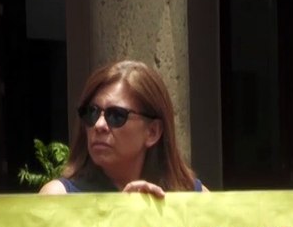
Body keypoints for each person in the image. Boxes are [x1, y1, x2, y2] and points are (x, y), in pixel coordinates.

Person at [39, 60, 208, 196]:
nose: (99, 125)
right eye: (92, 113)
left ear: (153, 132)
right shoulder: (58, 197)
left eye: (116, 115)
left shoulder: (195, 199)